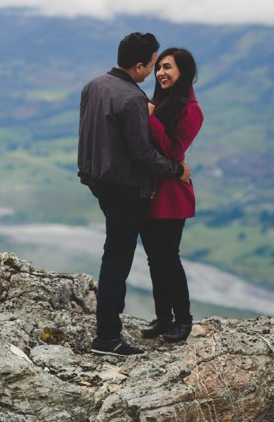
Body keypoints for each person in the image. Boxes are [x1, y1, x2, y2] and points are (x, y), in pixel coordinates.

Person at [78, 32, 192, 357]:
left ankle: (109, 332)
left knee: (115, 255)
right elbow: (143, 154)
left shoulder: (94, 85)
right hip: (126, 189)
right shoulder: (132, 99)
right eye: (152, 64)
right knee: (117, 260)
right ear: (139, 64)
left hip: (97, 179)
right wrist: (175, 170)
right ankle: (107, 338)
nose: (152, 72)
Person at [139, 48, 203, 343]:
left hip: (171, 196)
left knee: (168, 259)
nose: (161, 73)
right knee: (154, 259)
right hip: (151, 192)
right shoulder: (160, 102)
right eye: (159, 68)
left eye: (168, 68)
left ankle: (184, 320)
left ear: (184, 73)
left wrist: (150, 118)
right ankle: (163, 318)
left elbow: (175, 153)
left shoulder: (191, 111)